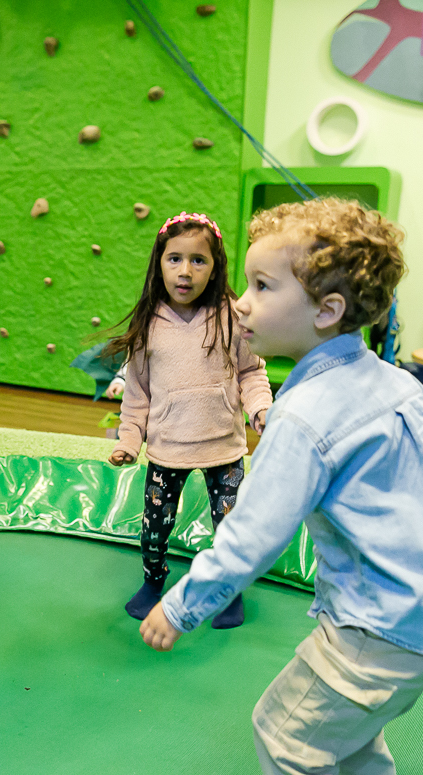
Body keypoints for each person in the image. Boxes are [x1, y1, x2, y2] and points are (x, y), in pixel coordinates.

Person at [139, 198, 423, 775]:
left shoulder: (303, 415)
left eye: (263, 286)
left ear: (328, 310)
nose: (241, 301)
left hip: (384, 621)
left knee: (286, 736)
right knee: (348, 739)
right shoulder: (400, 383)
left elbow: (253, 533)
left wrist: (182, 605)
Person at [107, 212, 272, 627]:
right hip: (167, 448)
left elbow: (251, 372)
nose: (185, 271)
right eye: (174, 259)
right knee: (155, 525)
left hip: (224, 447)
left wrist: (260, 410)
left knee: (232, 526)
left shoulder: (231, 315)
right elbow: (137, 392)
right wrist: (129, 438)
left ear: (215, 267)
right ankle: (153, 581)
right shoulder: (148, 324)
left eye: (198, 261)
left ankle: (228, 590)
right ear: (158, 264)